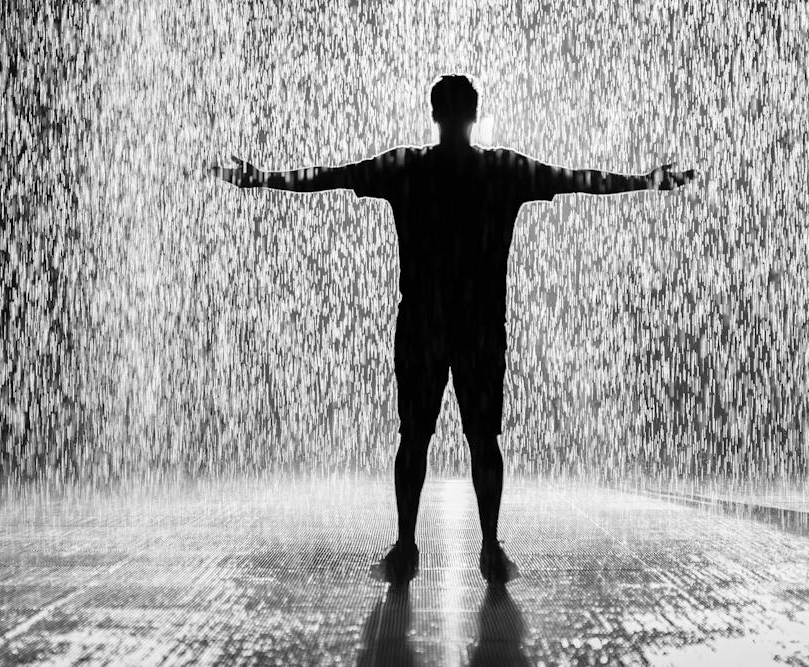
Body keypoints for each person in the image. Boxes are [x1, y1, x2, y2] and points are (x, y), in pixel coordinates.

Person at [207, 75, 697, 585]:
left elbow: (327, 176)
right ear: (475, 113)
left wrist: (263, 177)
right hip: (479, 327)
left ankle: (406, 547)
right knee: (482, 440)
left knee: (414, 438)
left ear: (435, 114)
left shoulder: (407, 168)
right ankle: (489, 548)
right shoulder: (502, 170)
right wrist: (643, 180)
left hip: (422, 324)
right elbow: (580, 179)